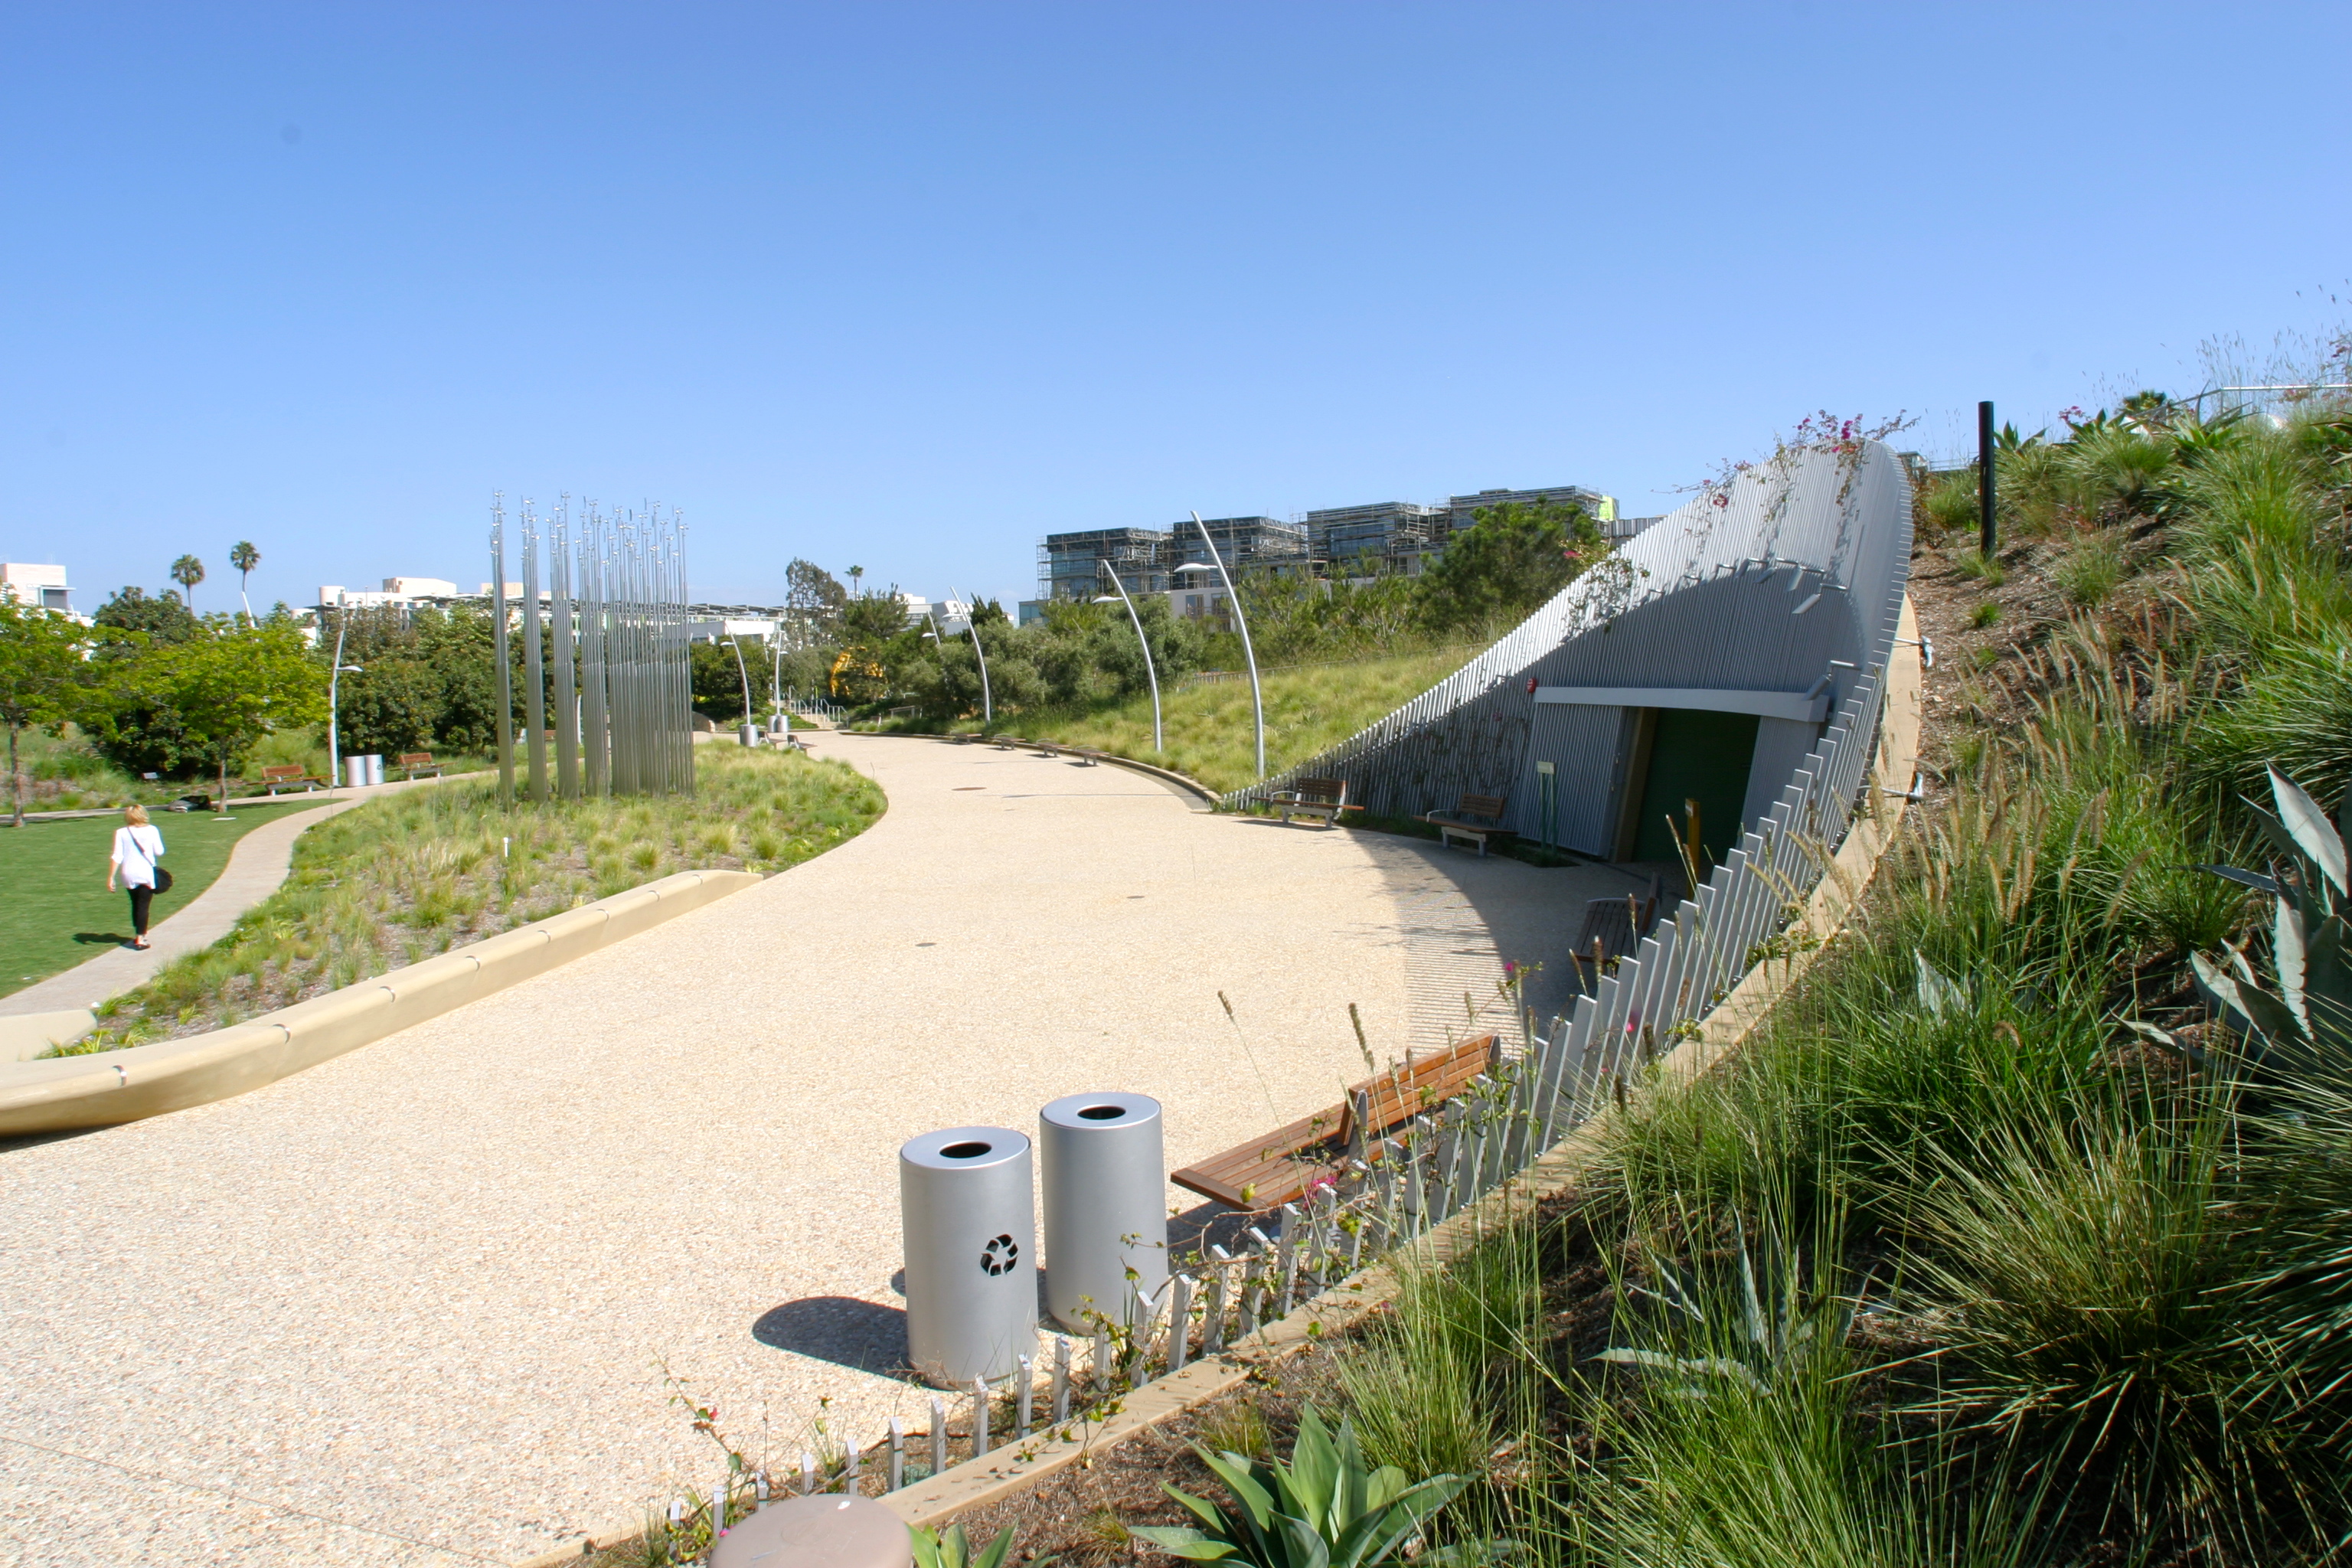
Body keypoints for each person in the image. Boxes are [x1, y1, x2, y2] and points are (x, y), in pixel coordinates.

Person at [106, 803, 168, 951]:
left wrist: (111, 877)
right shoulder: (152, 830)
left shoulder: (121, 832)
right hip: (145, 872)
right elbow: (159, 851)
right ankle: (140, 938)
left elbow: (117, 856)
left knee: (135, 903)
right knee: (143, 905)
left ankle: (139, 932)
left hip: (128, 873)